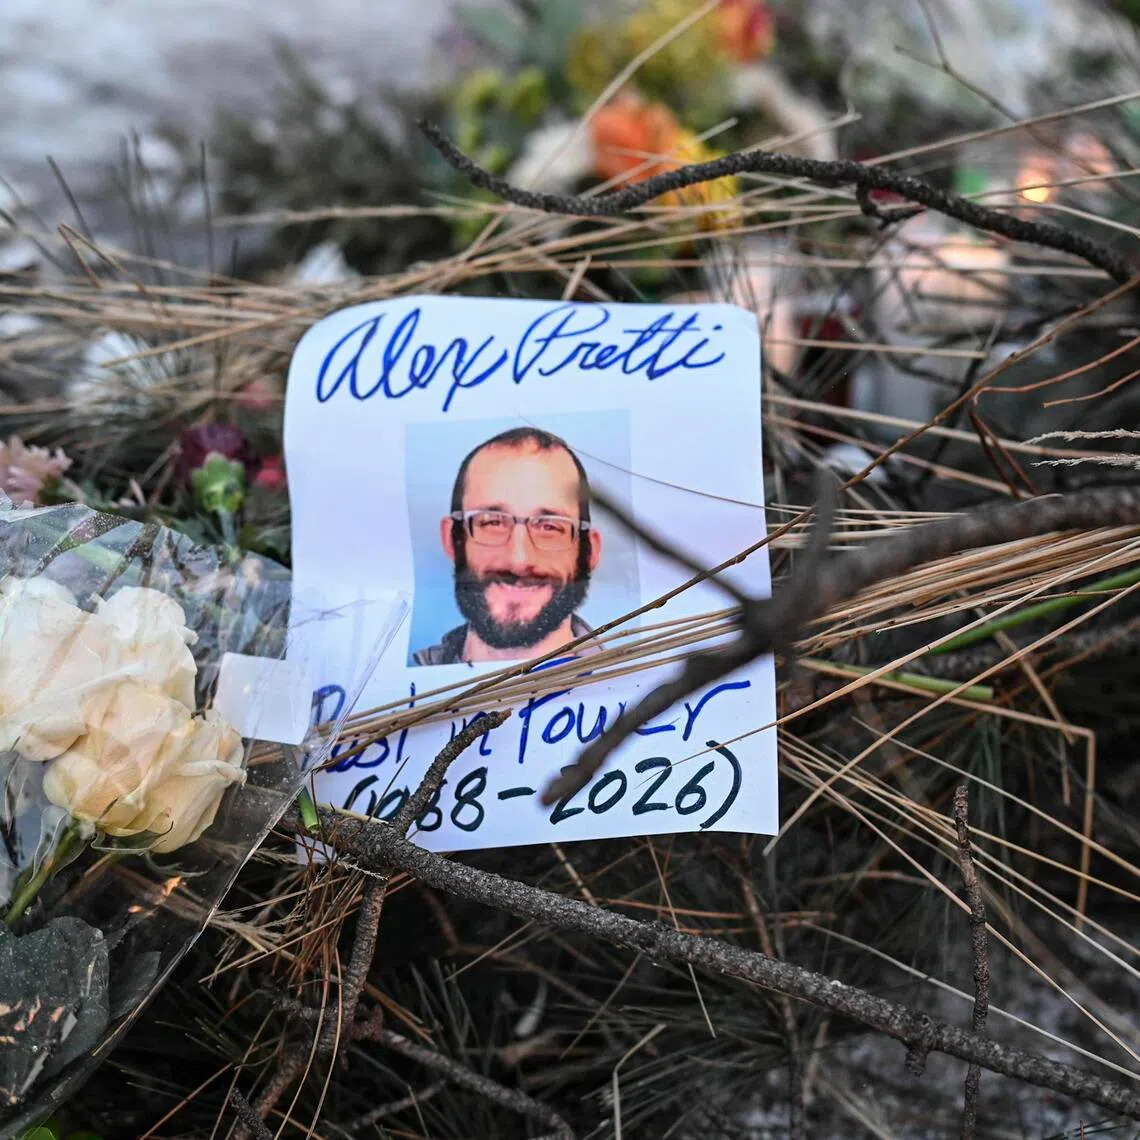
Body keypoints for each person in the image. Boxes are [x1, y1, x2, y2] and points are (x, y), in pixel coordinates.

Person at [412, 427, 603, 666]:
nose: (519, 560)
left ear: (590, 552)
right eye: (492, 522)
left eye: (550, 527)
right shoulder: (391, 688)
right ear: (452, 538)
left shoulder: (632, 676)